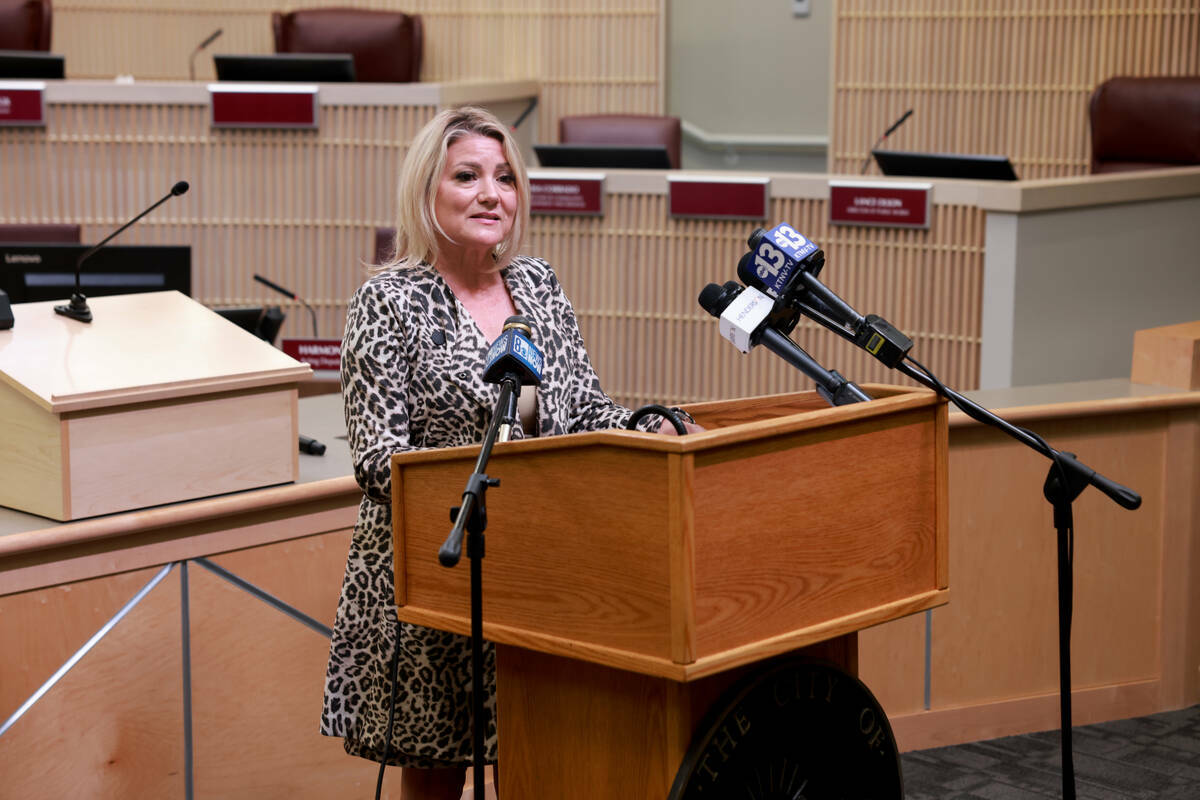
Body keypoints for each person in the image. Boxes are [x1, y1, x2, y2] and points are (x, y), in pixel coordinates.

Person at [320, 105, 700, 798]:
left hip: (536, 571)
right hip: (436, 569)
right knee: (437, 777)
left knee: (534, 760)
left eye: (505, 178)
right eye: (467, 176)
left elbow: (582, 410)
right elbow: (378, 460)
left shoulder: (539, 287)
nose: (490, 194)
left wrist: (650, 431)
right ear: (427, 190)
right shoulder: (388, 301)